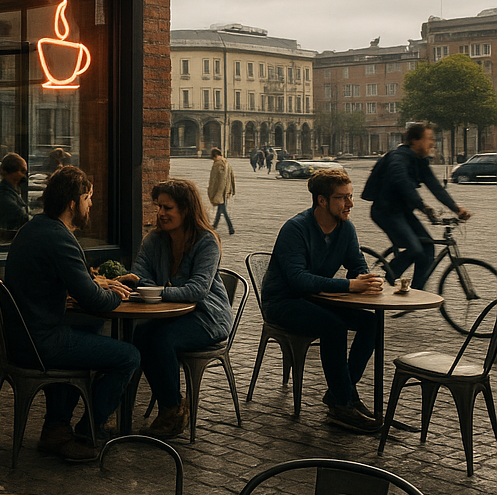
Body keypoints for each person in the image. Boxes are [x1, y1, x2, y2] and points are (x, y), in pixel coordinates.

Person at [4, 166, 140, 462]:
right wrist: (114, 294)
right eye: (88, 198)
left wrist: (99, 286)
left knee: (90, 328)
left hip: (20, 337)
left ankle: (56, 428)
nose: (90, 205)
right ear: (73, 202)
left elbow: (75, 285)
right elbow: (93, 300)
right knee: (128, 356)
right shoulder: (59, 237)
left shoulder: (34, 227)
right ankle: (88, 433)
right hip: (39, 343)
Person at [261, 168, 382, 432]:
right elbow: (298, 280)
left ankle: (342, 393)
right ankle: (342, 404)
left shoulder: (345, 228)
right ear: (322, 200)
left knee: (371, 323)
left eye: (350, 197)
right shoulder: (296, 228)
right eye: (342, 198)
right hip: (283, 302)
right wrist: (350, 285)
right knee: (333, 326)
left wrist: (366, 279)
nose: (350, 204)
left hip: (316, 299)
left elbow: (357, 265)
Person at [126, 179, 232, 438]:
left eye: (168, 208)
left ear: (186, 210)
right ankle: (170, 404)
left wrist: (156, 291)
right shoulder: (154, 240)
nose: (161, 214)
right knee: (139, 336)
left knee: (163, 339)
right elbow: (136, 276)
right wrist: (153, 288)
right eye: (159, 207)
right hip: (170, 314)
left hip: (208, 316)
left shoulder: (206, 241)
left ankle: (171, 411)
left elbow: (198, 291)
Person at [365, 121, 471, 289]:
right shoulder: (398, 157)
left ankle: (418, 293)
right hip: (385, 212)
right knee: (415, 248)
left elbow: (435, 186)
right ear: (415, 141)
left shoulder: (419, 161)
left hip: (403, 212)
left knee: (428, 248)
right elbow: (402, 181)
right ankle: (385, 279)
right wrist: (423, 206)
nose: (432, 143)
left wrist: (456, 209)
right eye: (429, 139)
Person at [0, 152, 30, 234]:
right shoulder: (4, 195)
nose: (24, 176)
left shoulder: (11, 191)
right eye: (22, 171)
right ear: (11, 172)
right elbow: (20, 215)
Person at [207, 148, 236, 235]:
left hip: (220, 191)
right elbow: (232, 177)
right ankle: (215, 225)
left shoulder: (219, 165)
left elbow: (217, 180)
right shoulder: (226, 163)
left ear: (215, 156)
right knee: (221, 209)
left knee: (223, 210)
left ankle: (230, 228)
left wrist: (215, 192)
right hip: (225, 190)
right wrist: (232, 189)